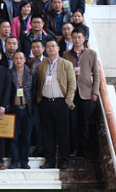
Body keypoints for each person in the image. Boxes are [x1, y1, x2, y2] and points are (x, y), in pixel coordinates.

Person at [37, 39, 76, 170]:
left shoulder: (66, 64)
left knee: (63, 134)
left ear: (58, 48)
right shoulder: (42, 65)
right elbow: (39, 83)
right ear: (45, 50)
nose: (51, 48)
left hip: (61, 103)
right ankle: (49, 161)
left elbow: (72, 84)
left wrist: (68, 101)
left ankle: (64, 161)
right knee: (47, 135)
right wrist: (39, 100)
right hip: (45, 103)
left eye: (53, 46)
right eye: (48, 46)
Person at [64, 27, 99, 158]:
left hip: (86, 93)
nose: (77, 40)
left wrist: (94, 92)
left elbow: (96, 74)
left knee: (85, 124)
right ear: (71, 39)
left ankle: (85, 148)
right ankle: (75, 148)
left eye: (79, 37)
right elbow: (63, 76)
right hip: (71, 94)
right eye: (74, 37)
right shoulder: (66, 54)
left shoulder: (92, 54)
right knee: (73, 123)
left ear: (84, 39)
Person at [9, 51, 36, 169]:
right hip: (13, 109)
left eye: (21, 58)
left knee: (26, 137)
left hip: (27, 109)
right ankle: (14, 161)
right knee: (13, 137)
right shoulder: (9, 73)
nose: (18, 60)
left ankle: (24, 161)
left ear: (25, 59)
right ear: (13, 60)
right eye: (16, 58)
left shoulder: (32, 73)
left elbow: (34, 91)